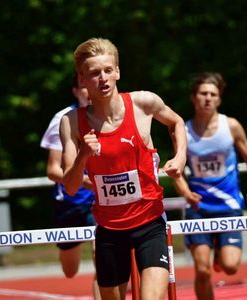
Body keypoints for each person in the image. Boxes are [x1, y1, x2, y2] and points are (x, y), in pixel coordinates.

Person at [60, 37, 187, 300]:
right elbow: (70, 187)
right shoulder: (71, 122)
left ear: (118, 71)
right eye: (94, 73)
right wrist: (83, 154)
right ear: (82, 80)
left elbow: (176, 122)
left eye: (108, 70)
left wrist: (180, 157)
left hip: (150, 224)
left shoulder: (143, 104)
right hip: (109, 230)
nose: (103, 78)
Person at [173, 72, 247, 300]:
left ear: (219, 99)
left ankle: (220, 254)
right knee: (202, 271)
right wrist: (185, 192)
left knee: (231, 266)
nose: (208, 98)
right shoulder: (183, 131)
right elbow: (175, 169)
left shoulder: (231, 126)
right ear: (194, 98)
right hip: (198, 209)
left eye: (213, 94)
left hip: (228, 205)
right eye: (203, 93)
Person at [40, 73, 100, 299]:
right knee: (70, 270)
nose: (89, 91)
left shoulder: (108, 115)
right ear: (76, 91)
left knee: (103, 259)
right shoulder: (63, 119)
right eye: (83, 87)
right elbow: (52, 170)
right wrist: (82, 180)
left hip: (99, 201)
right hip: (70, 202)